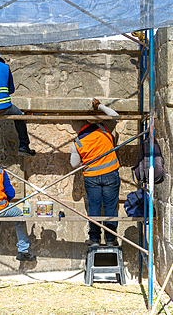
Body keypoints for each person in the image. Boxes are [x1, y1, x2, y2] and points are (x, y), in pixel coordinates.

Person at [70, 98, 120, 247]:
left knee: (94, 208)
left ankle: (95, 239)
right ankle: (111, 240)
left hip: (91, 177)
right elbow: (115, 116)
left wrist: (85, 162)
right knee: (111, 207)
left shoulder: (77, 142)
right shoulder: (104, 129)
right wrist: (100, 107)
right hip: (111, 174)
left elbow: (74, 164)